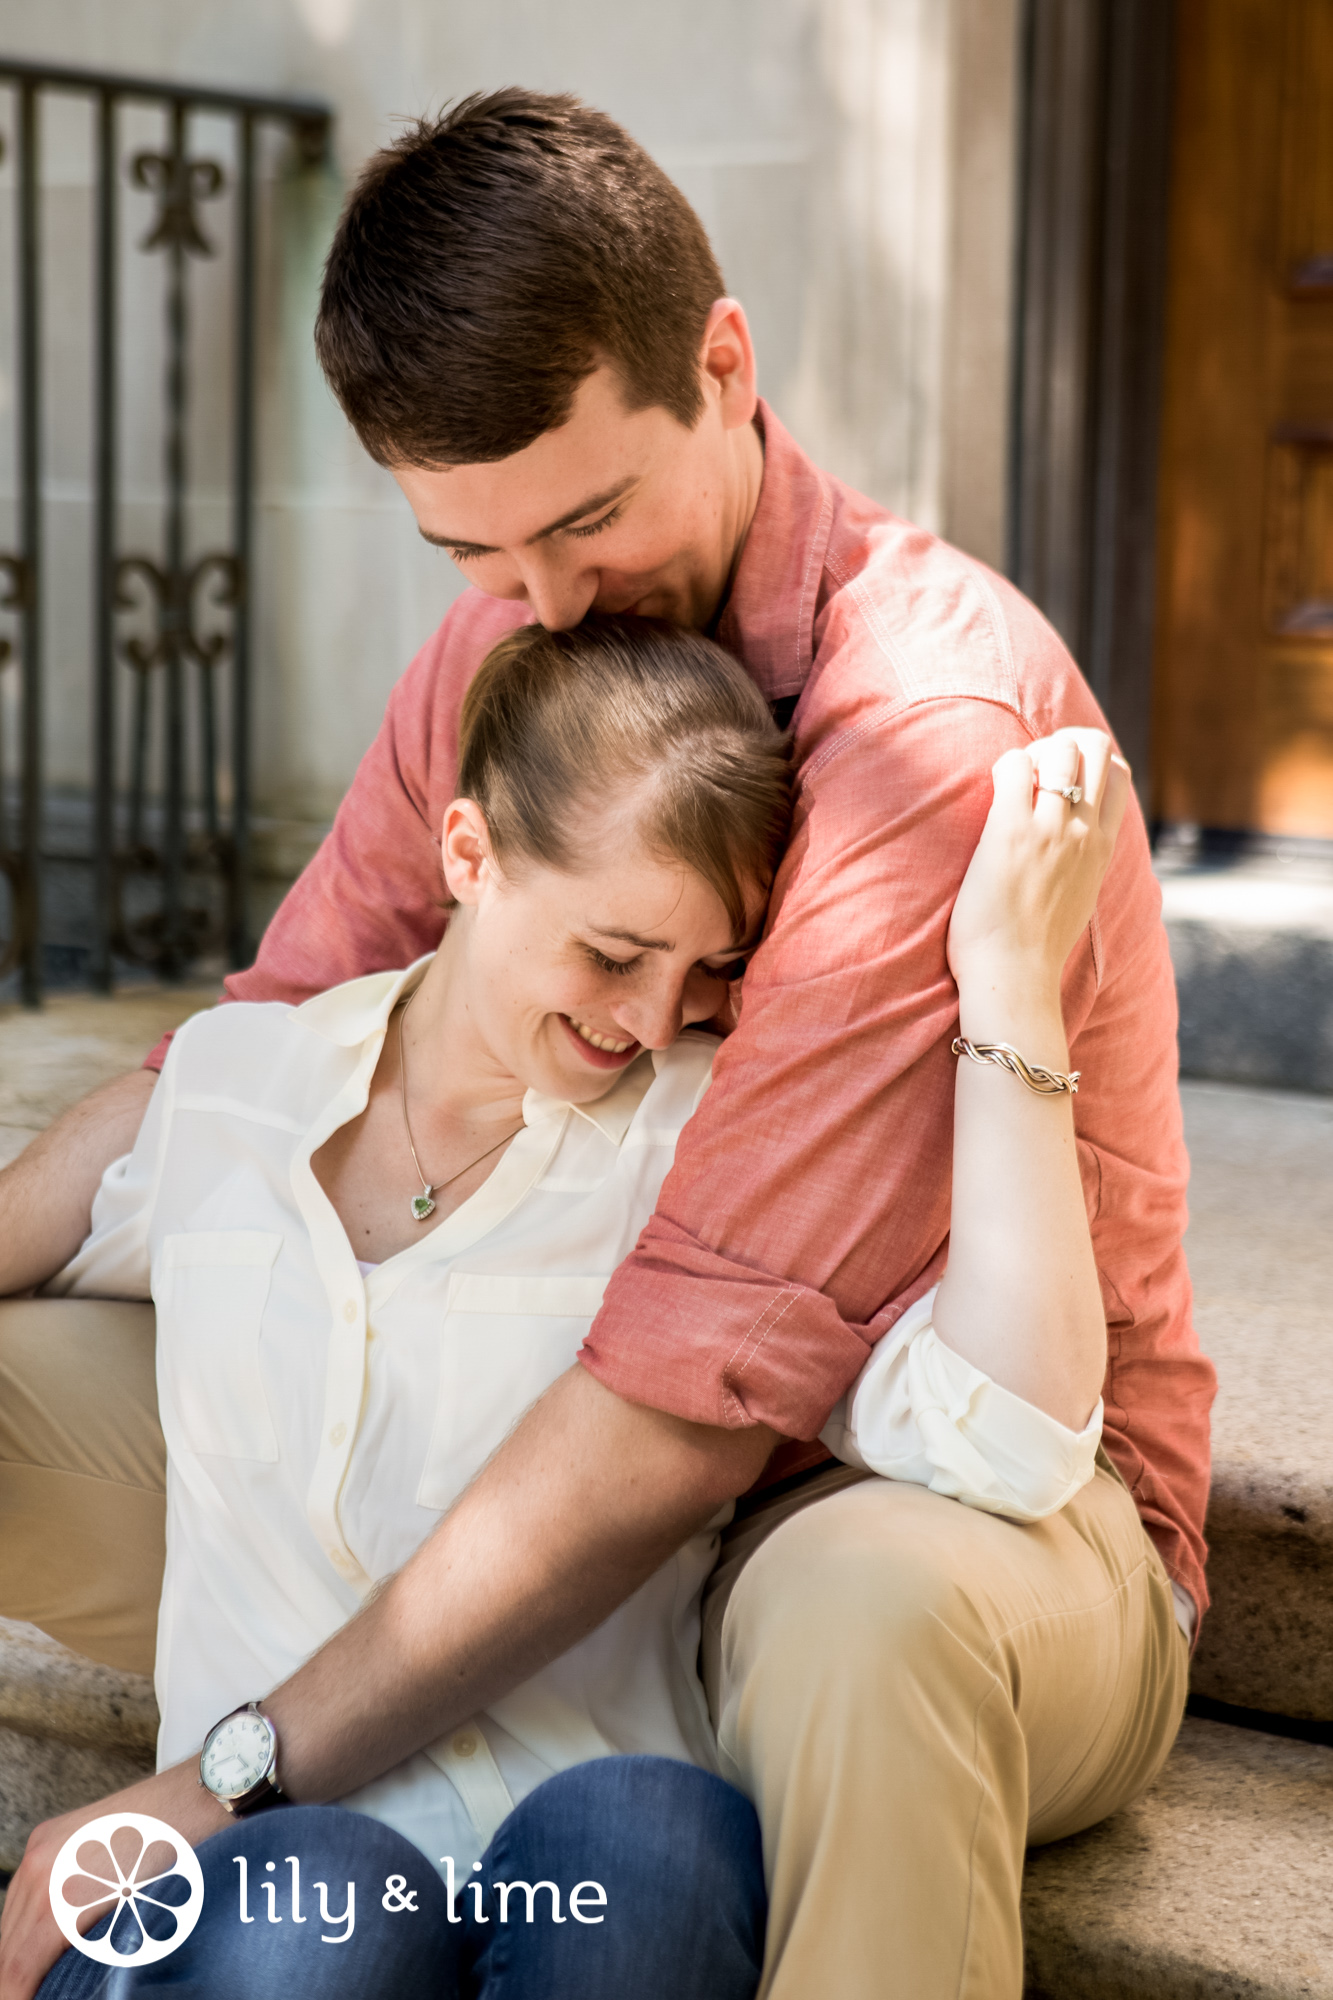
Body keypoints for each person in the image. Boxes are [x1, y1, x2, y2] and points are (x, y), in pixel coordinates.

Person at [0, 90, 1214, 2000]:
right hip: (561, 1506)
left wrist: (226, 1776)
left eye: (583, 517)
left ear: (723, 365)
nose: (547, 608)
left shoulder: (925, 733)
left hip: (908, 1516)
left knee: (856, 1610)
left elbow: (679, 1401)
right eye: (480, 557)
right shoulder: (515, 661)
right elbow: (260, 1059)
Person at [15, 616, 1122, 1997]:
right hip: (270, 1876)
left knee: (647, 1841)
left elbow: (1006, 1434)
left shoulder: (710, 1154)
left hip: (584, 1868)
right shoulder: (231, 1093)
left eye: (708, 970)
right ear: (468, 857)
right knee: (325, 1906)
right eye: (614, 955)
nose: (657, 1021)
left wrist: (1013, 986)